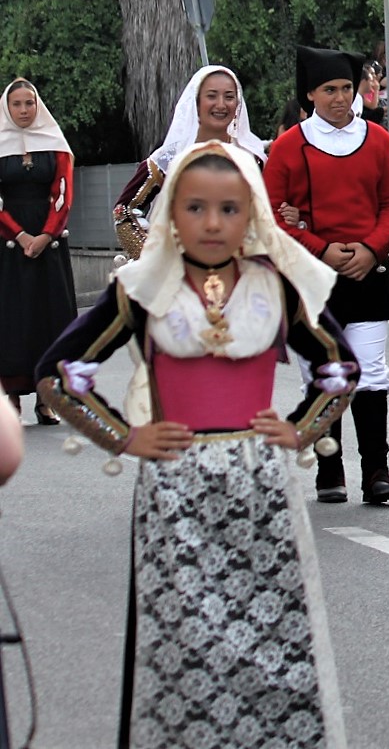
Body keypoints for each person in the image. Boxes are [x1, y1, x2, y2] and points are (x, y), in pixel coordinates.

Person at [37, 141, 358, 748]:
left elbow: (338, 369)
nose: (213, 223)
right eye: (196, 208)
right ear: (172, 214)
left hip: (261, 490)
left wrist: (299, 430)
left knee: (271, 646)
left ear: (252, 215)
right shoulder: (143, 288)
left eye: (230, 209)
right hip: (173, 492)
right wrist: (126, 436)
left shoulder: (277, 287)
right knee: (181, 645)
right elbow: (59, 374)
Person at [265, 46, 389, 505]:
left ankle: (377, 472)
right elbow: (271, 214)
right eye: (329, 90)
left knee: (369, 370)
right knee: (326, 373)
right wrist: (321, 249)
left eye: (347, 89)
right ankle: (330, 470)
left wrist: (372, 250)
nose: (340, 98)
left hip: (368, 273)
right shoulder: (289, 146)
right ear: (310, 94)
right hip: (312, 278)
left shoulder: (378, 140)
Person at [113, 64, 269, 255]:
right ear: (196, 103)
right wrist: (155, 261)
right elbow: (124, 212)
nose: (221, 105)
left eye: (229, 97)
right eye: (211, 96)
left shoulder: (253, 158)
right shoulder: (167, 160)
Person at [0, 79, 75, 426]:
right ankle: (10, 399)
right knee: (12, 321)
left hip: (49, 242)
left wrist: (45, 234)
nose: (24, 110)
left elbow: (63, 189)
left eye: (30, 103)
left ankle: (47, 400)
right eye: (17, 104)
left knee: (49, 320)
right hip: (9, 244)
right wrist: (19, 234)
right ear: (7, 108)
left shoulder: (54, 142)